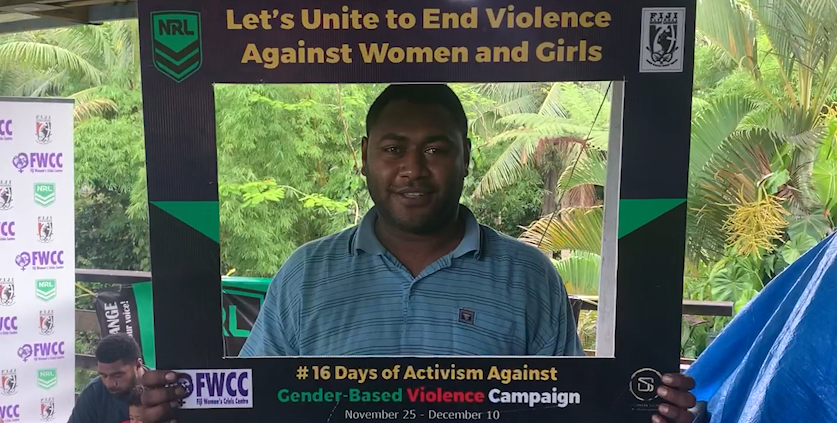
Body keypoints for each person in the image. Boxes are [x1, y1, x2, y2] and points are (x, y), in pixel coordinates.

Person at [140, 84, 697, 423]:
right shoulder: (305, 275)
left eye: (436, 148)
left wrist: (645, 407)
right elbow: (257, 403)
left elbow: (570, 407)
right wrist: (181, 403)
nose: (413, 168)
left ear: (466, 157)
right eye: (393, 149)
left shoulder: (528, 277)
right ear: (364, 156)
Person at [69, 333, 148, 423]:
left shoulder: (161, 388)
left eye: (118, 375)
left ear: (138, 365)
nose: (109, 384)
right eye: (104, 375)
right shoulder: (93, 394)